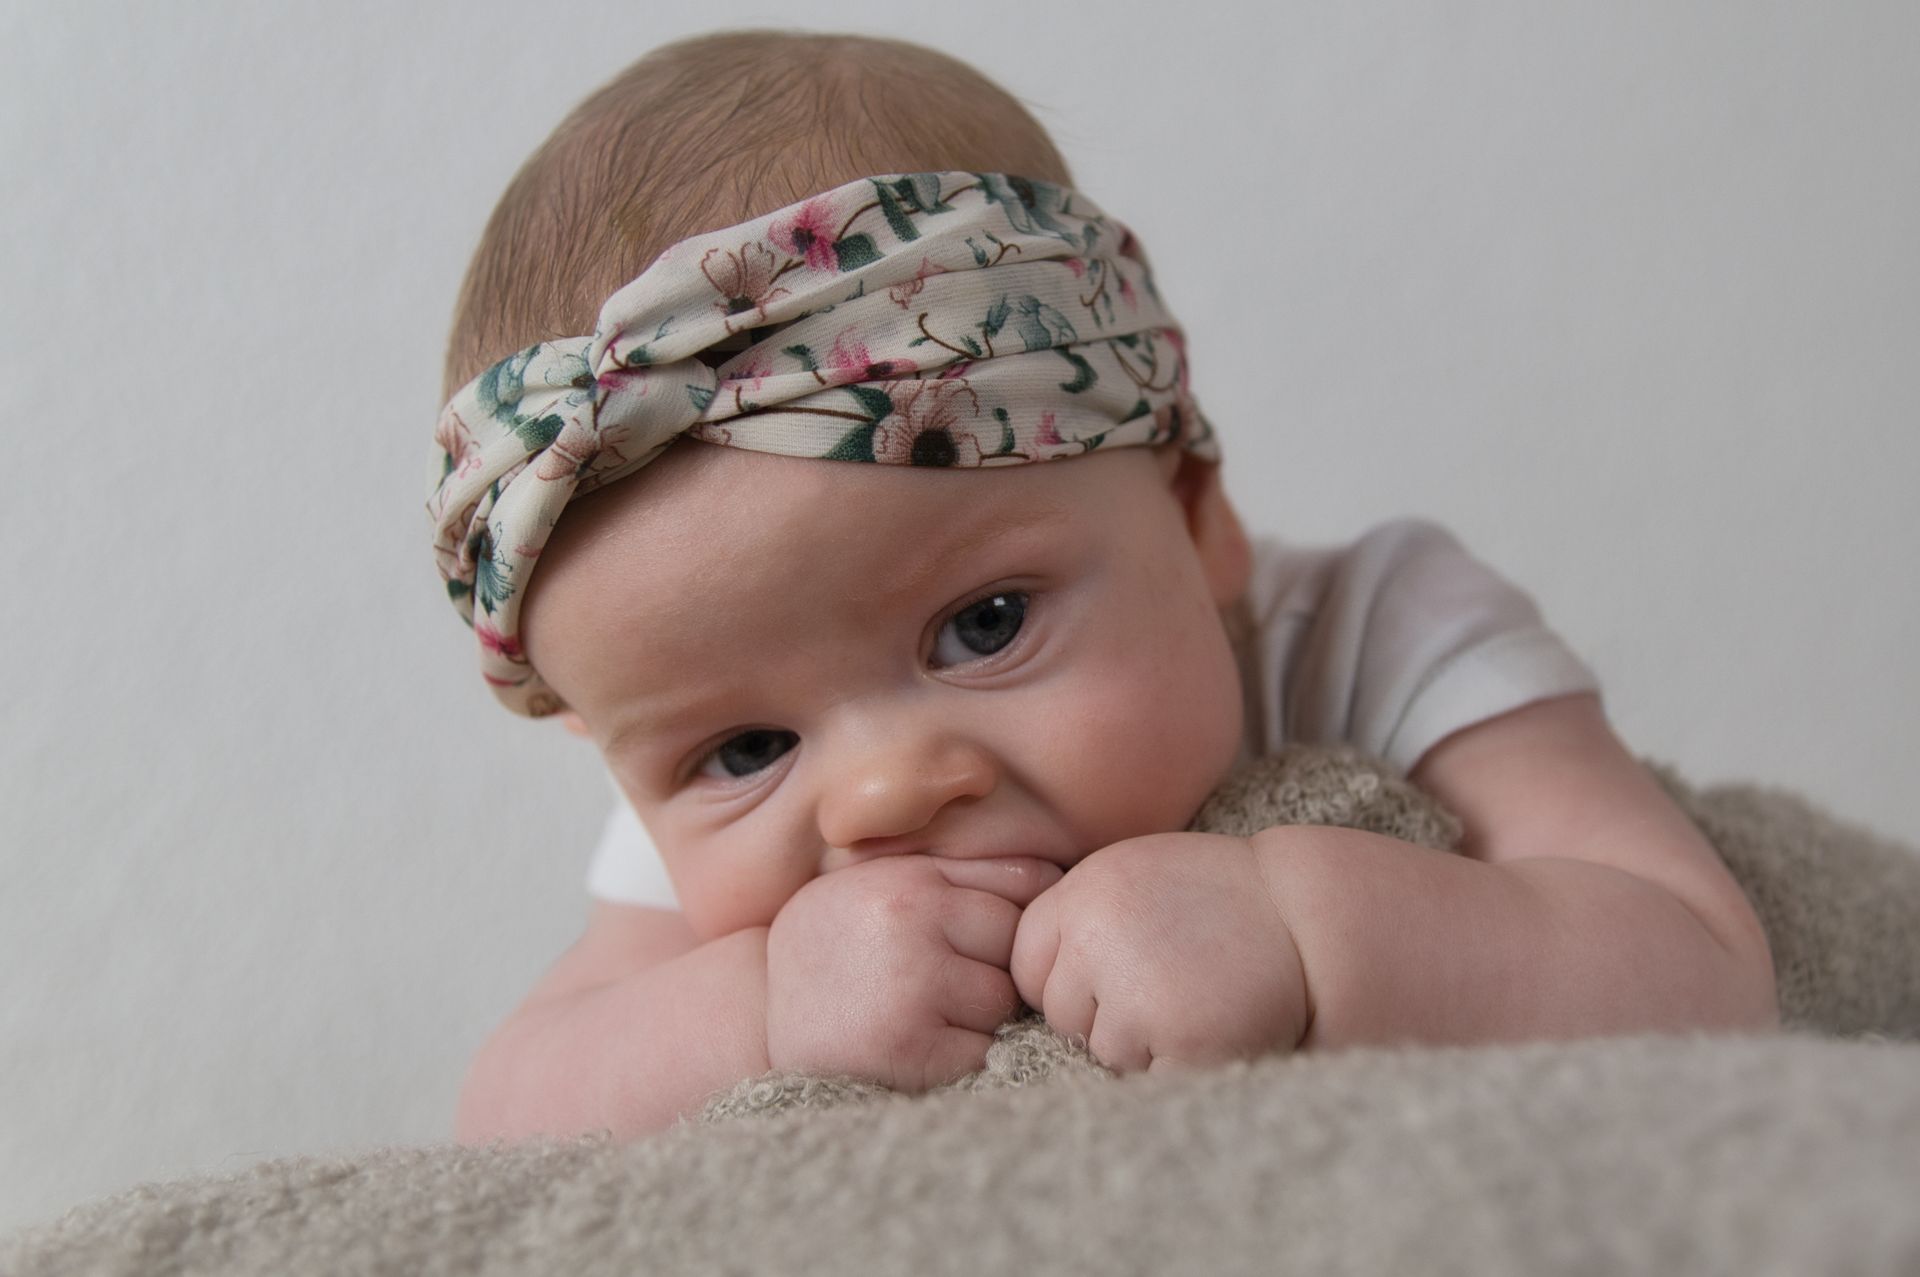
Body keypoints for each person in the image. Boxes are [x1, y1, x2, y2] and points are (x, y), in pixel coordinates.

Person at [429, 30, 1777, 1142]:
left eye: (985, 625)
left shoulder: (1378, 629)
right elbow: (508, 1105)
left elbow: (1700, 964)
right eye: (747, 751)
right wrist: (760, 1010)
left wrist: (1307, 931)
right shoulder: (705, 790)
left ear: (1197, 520)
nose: (880, 795)